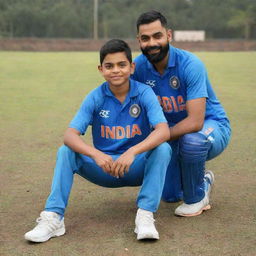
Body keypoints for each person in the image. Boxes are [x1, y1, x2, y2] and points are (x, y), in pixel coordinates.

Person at [24, 39, 171, 242]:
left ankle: (145, 216)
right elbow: (69, 135)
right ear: (101, 69)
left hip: (136, 166)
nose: (116, 71)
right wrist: (96, 154)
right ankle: (54, 218)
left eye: (122, 65)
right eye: (109, 66)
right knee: (65, 151)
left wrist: (132, 152)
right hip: (105, 168)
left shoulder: (144, 92)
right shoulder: (95, 97)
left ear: (132, 67)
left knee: (163, 148)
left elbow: (163, 131)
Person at [132, 10, 231, 217]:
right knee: (169, 195)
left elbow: (195, 122)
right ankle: (203, 179)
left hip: (210, 125)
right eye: (145, 38)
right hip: (171, 134)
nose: (152, 43)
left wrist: (158, 137)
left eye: (157, 36)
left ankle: (197, 197)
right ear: (139, 41)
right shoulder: (139, 67)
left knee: (192, 141)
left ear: (168, 35)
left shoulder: (190, 64)